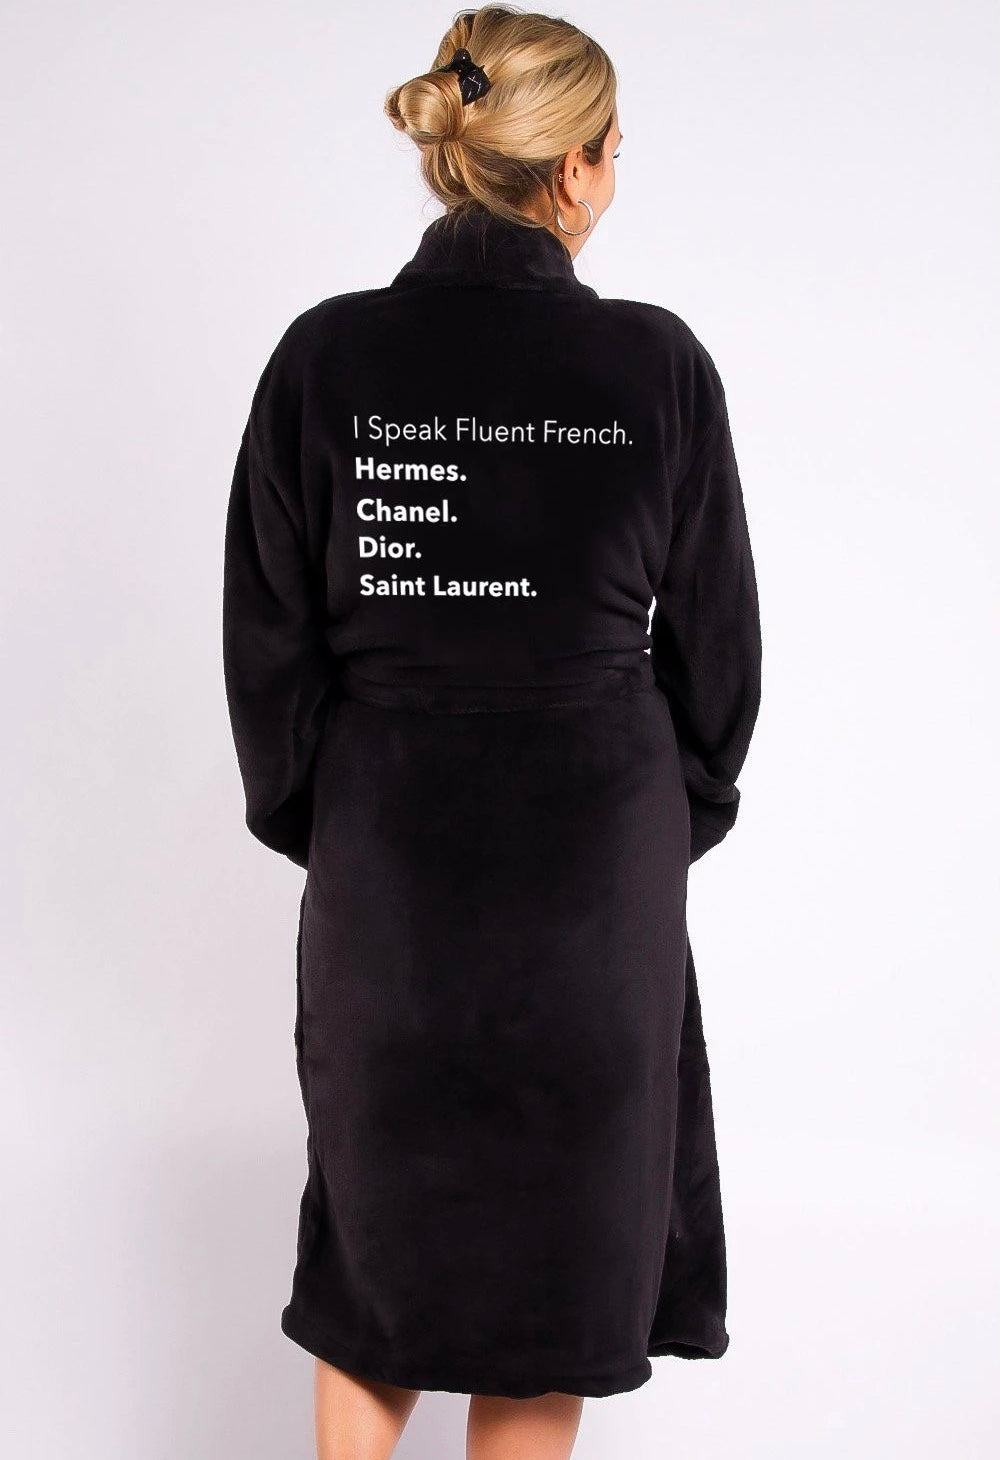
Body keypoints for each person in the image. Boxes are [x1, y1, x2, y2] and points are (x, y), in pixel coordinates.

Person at [221, 6, 762, 1458]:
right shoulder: (656, 366)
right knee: (553, 1276)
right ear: (574, 168)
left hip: (387, 872)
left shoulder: (324, 358)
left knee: (372, 1265)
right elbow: (719, 660)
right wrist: (652, 821)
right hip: (596, 889)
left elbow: (267, 649)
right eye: (616, 152)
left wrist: (341, 821)